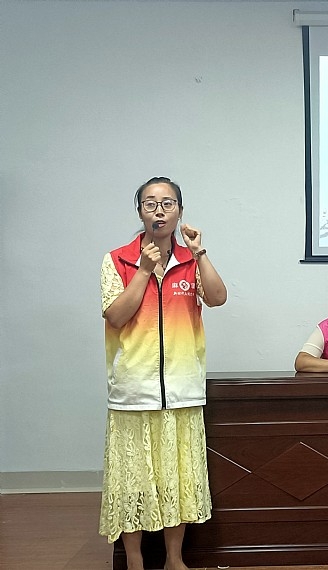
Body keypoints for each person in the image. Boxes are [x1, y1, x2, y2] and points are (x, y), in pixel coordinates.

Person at [98, 176, 227, 570]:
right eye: (150, 203)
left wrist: (199, 252)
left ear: (180, 212)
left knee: (177, 479)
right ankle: (135, 562)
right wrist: (143, 271)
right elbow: (115, 316)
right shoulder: (117, 259)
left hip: (182, 387)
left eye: (168, 203)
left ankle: (174, 559)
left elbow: (218, 298)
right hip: (133, 388)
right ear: (140, 212)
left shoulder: (190, 259)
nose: (159, 210)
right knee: (132, 480)